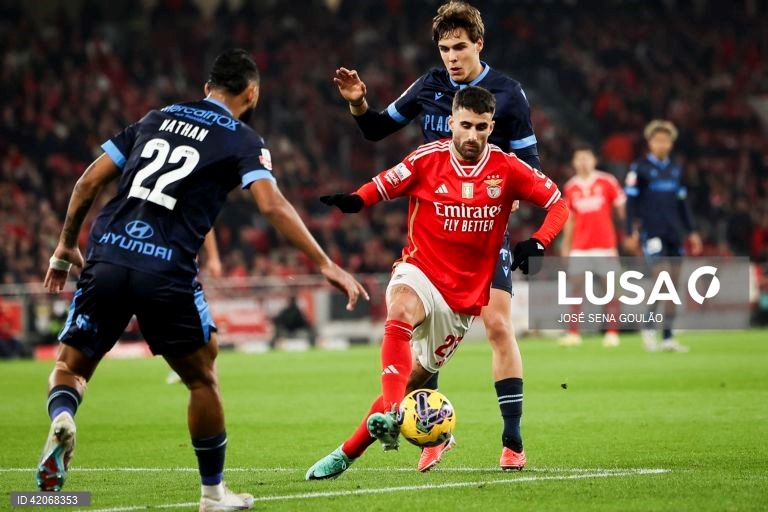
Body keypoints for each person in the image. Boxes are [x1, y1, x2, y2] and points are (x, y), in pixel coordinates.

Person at [37, 49, 368, 511]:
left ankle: (64, 417)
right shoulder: (243, 138)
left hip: (107, 255)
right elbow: (271, 205)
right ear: (251, 93)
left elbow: (87, 183)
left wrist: (62, 248)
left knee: (71, 367)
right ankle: (213, 494)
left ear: (206, 87)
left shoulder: (154, 119)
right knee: (201, 377)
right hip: (165, 268)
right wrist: (324, 263)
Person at [305, 86, 568, 480]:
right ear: (451, 123)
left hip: (463, 299)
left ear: (491, 126)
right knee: (400, 309)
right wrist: (355, 201)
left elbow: (558, 202)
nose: (472, 135)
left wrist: (538, 241)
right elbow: (382, 185)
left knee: (415, 377)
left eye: (481, 127)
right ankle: (380, 427)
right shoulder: (427, 159)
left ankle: (351, 447)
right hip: (421, 269)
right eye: (465, 125)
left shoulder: (507, 167)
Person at [333, 0, 539, 472]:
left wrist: (506, 201)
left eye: (460, 47)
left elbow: (533, 167)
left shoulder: (508, 94)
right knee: (424, 333)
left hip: (484, 234)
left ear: (479, 45)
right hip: (433, 232)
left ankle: (513, 439)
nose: (451, 56)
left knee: (499, 326)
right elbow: (377, 129)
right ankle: (433, 433)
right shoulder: (429, 85)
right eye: (444, 47)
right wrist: (357, 102)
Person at [624, 119, 702, 352]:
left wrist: (693, 231)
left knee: (673, 285)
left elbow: (682, 204)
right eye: (658, 140)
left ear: (671, 143)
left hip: (674, 233)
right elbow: (630, 202)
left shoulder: (676, 169)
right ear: (650, 142)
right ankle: (648, 326)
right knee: (663, 280)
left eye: (666, 140)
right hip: (652, 232)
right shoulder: (639, 168)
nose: (662, 144)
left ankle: (667, 337)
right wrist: (629, 232)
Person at [559, 146, 625, 347]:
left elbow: (621, 210)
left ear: (594, 160)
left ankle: (612, 332)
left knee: (610, 289)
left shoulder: (607, 181)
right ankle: (573, 333)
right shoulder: (570, 187)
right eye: (578, 158)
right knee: (576, 287)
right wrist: (566, 245)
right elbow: (569, 219)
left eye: (586, 158)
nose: (582, 162)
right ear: (573, 162)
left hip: (605, 245)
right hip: (580, 246)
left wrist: (630, 232)